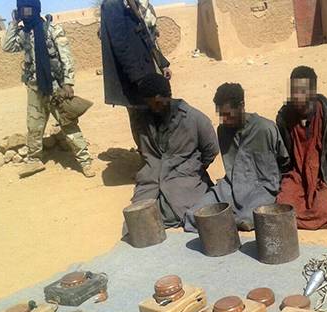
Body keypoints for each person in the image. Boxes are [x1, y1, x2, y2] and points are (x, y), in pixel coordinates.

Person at [2, 0, 95, 178]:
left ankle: (85, 161)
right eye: (21, 10)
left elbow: (66, 57)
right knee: (34, 126)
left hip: (55, 87)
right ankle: (34, 160)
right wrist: (13, 23)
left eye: (27, 9)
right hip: (34, 87)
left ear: (35, 9)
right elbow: (7, 46)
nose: (25, 13)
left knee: (68, 123)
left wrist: (68, 82)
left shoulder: (52, 30)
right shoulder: (23, 33)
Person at [185, 83, 290, 232]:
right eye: (222, 115)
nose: (225, 120)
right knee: (194, 214)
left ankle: (226, 222)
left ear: (241, 105)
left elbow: (284, 161)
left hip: (261, 188)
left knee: (249, 217)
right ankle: (226, 222)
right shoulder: (222, 130)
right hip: (230, 187)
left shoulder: (265, 128)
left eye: (228, 115)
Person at [129, 73, 219, 229]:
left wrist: (193, 168)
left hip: (184, 178)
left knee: (179, 215)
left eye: (158, 103)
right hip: (151, 180)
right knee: (138, 221)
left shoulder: (194, 118)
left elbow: (211, 149)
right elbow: (143, 148)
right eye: (150, 104)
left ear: (168, 96)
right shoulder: (142, 118)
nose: (155, 108)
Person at [276, 66, 327, 230]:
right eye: (294, 91)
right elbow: (283, 153)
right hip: (298, 176)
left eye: (302, 92)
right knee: (283, 207)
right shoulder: (284, 116)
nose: (297, 97)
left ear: (313, 92)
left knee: (325, 208)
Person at [100, 0, 172, 149]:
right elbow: (120, 45)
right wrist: (139, 78)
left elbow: (147, 36)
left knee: (159, 114)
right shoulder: (112, 4)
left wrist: (162, 63)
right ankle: (150, 157)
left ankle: (162, 153)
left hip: (147, 70)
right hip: (135, 77)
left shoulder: (134, 3)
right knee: (142, 121)